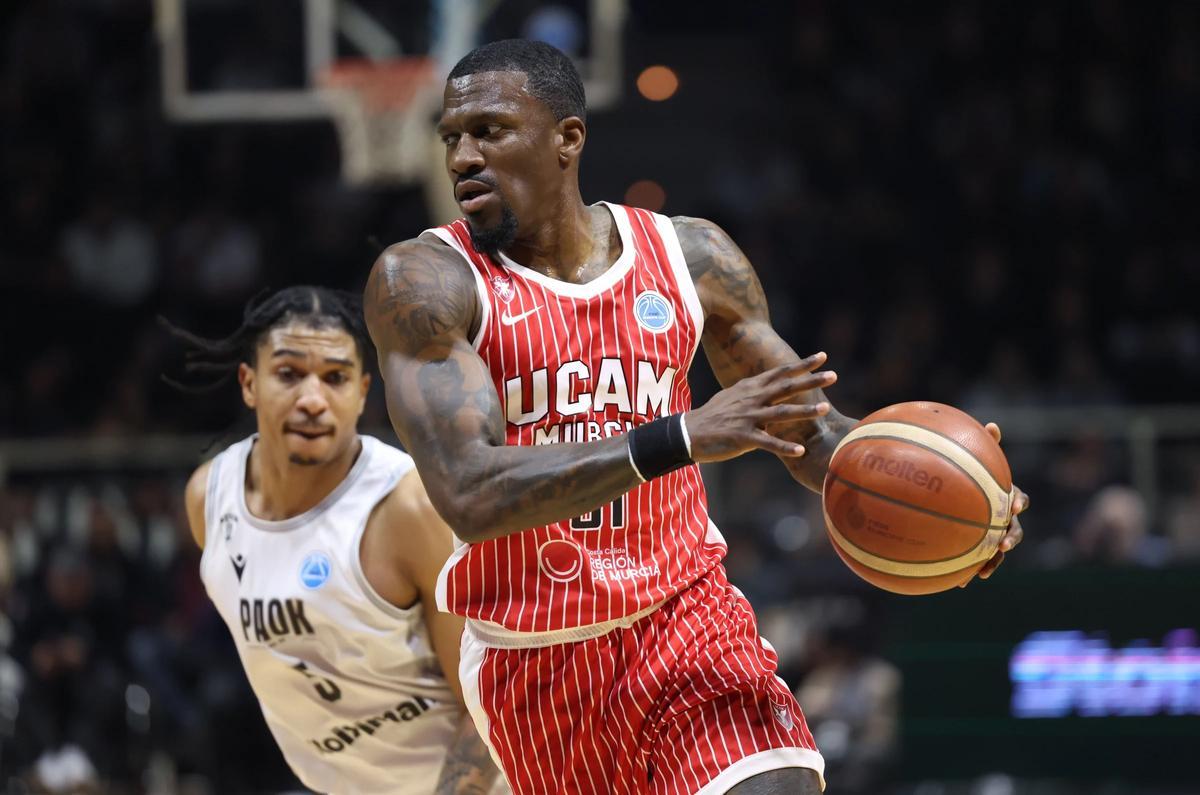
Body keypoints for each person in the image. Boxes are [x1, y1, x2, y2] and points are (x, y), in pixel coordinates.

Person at [364, 40, 1028, 795]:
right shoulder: (423, 280)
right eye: (452, 136)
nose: (463, 156)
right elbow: (468, 490)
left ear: (567, 138)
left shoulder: (692, 256)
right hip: (536, 660)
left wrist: (961, 492)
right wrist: (681, 436)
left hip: (687, 621)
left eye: (490, 130)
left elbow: (809, 430)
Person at [170, 286, 499, 794]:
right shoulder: (208, 500)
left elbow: (490, 702)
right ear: (248, 383)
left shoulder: (406, 508)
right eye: (288, 374)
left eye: (335, 378)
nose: (312, 400)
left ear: (363, 392)